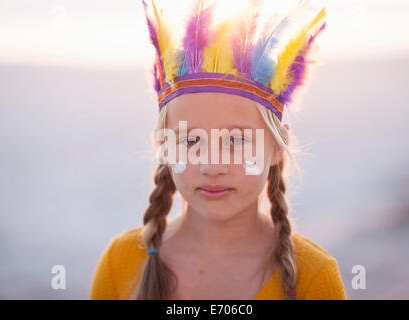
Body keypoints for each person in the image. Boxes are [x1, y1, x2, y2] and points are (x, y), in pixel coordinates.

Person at [90, 0, 347, 300]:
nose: (212, 166)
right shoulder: (119, 263)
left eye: (236, 141)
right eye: (191, 141)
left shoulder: (313, 278)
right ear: (165, 147)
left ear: (277, 147)